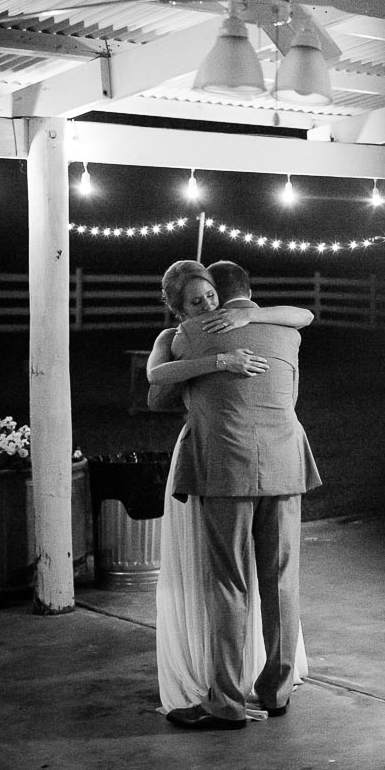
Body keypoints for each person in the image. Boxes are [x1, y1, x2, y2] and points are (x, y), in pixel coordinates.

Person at [145, 259, 318, 729]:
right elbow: (303, 319)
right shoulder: (290, 334)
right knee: (282, 581)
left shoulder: (186, 338)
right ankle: (277, 693)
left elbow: (157, 396)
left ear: (219, 295)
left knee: (229, 582)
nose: (206, 306)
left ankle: (225, 702)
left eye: (208, 297)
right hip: (285, 462)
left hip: (225, 467)